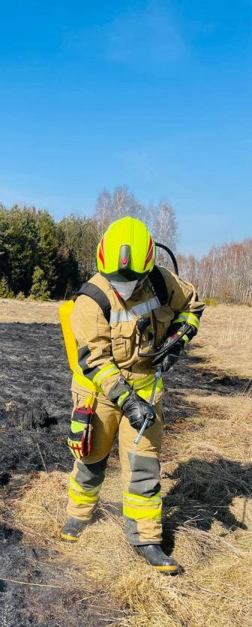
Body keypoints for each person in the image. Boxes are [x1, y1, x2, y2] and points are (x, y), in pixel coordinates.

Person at [59, 217, 204, 574]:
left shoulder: (161, 281)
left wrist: (179, 339)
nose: (123, 287)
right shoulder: (90, 300)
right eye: (116, 279)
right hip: (100, 390)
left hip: (146, 385)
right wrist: (127, 401)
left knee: (143, 463)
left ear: (149, 264)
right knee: (91, 457)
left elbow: (194, 307)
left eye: (131, 279)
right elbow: (96, 361)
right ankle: (78, 515)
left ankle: (145, 537)